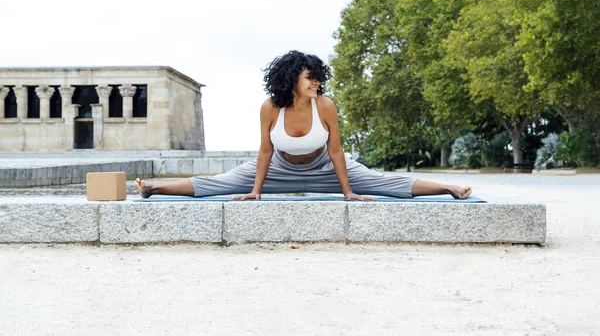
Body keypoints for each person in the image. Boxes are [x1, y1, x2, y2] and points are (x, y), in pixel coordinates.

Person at [135, 50, 472, 201]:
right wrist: (255, 190)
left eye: (319, 79)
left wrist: (349, 192)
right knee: (221, 183)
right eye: (311, 78)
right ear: (292, 79)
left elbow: (336, 149)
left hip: (325, 167)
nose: (317, 84)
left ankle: (449, 189)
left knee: (382, 182)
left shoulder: (325, 105)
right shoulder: (270, 107)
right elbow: (266, 150)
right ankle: (154, 189)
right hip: (280, 168)